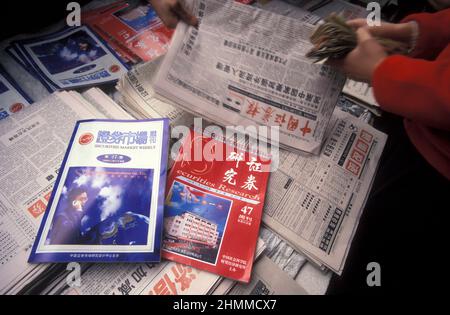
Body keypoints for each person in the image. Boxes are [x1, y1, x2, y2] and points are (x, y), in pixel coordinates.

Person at [326, 9, 450, 293]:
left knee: (370, 256)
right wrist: (416, 34)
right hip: (422, 131)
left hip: (438, 171)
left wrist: (382, 72)